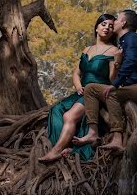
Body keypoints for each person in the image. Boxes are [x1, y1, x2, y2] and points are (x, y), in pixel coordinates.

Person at [72, 9, 137, 153]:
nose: (114, 22)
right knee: (91, 88)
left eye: (117, 20)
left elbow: (131, 62)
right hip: (133, 89)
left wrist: (115, 85)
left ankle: (117, 138)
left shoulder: (131, 38)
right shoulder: (123, 42)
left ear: (123, 23)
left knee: (111, 93)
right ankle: (92, 132)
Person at [39, 14, 122, 163]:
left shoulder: (113, 51)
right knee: (57, 110)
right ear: (96, 28)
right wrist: (77, 85)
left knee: (69, 116)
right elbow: (77, 73)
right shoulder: (87, 49)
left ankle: (56, 151)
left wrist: (117, 63)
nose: (107, 28)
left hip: (96, 93)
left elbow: (113, 80)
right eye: (104, 24)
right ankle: (68, 145)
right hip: (81, 91)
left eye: (111, 26)